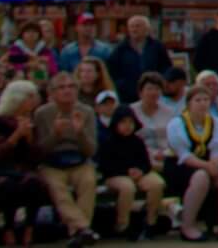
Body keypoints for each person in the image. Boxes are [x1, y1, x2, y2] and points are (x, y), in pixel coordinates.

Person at [34, 72, 99, 247]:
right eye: (62, 88)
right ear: (52, 93)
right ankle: (84, 228)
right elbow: (40, 151)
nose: (67, 91)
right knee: (57, 188)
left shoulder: (87, 111)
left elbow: (91, 150)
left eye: (71, 87)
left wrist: (80, 133)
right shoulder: (42, 113)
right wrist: (55, 134)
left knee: (88, 181)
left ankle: (77, 233)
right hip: (52, 162)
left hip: (79, 160)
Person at [167, 88, 218, 241]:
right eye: (198, 100)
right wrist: (207, 166)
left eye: (205, 100)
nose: (202, 104)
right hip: (182, 167)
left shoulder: (216, 122)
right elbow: (184, 155)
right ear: (189, 104)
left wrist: (215, 162)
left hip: (208, 164)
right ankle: (187, 226)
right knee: (201, 176)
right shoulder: (177, 124)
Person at [0, 80, 51, 246]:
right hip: (1, 170)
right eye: (30, 97)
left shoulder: (32, 120)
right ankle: (8, 229)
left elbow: (38, 157)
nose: (34, 100)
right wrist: (16, 136)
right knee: (8, 186)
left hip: (25, 169)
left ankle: (29, 228)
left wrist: (30, 139)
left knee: (34, 183)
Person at [99, 105, 166, 242]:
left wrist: (140, 170)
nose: (127, 126)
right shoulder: (108, 142)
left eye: (130, 122)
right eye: (123, 122)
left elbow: (146, 163)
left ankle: (150, 221)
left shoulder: (137, 141)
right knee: (127, 187)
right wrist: (126, 172)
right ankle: (123, 224)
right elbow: (106, 167)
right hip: (115, 176)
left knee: (157, 183)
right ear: (116, 123)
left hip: (139, 174)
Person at [110, 17, 174, 105]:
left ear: (147, 29)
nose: (134, 29)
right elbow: (113, 71)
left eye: (138, 26)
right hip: (127, 96)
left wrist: (160, 83)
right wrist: (122, 85)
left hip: (154, 93)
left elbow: (166, 67)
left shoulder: (157, 46)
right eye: (131, 27)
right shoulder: (120, 49)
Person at [132, 72, 179, 170]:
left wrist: (165, 153)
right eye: (149, 89)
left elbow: (175, 138)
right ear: (141, 92)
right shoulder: (131, 111)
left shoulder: (170, 112)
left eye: (157, 89)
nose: (153, 92)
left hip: (166, 155)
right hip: (140, 156)